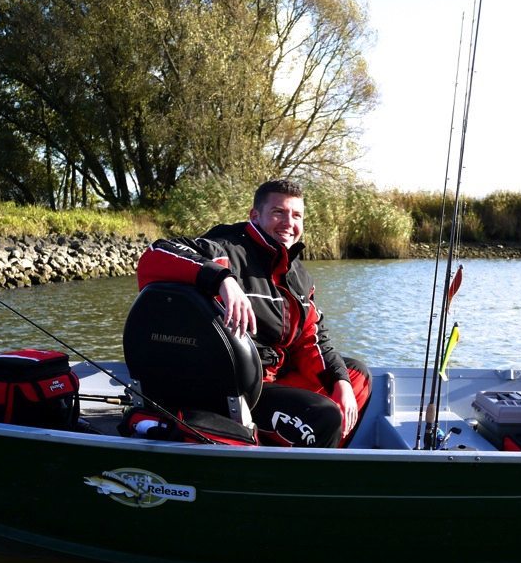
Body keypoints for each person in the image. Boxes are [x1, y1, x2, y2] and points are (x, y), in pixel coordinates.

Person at [136, 178, 371, 448]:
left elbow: (312, 338)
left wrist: (339, 382)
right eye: (278, 212)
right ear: (255, 216)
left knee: (355, 374)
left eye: (296, 215)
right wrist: (222, 279)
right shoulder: (225, 248)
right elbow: (156, 253)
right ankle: (289, 461)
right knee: (324, 416)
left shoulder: (298, 275)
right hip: (233, 390)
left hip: (274, 376)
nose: (289, 223)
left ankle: (312, 449)